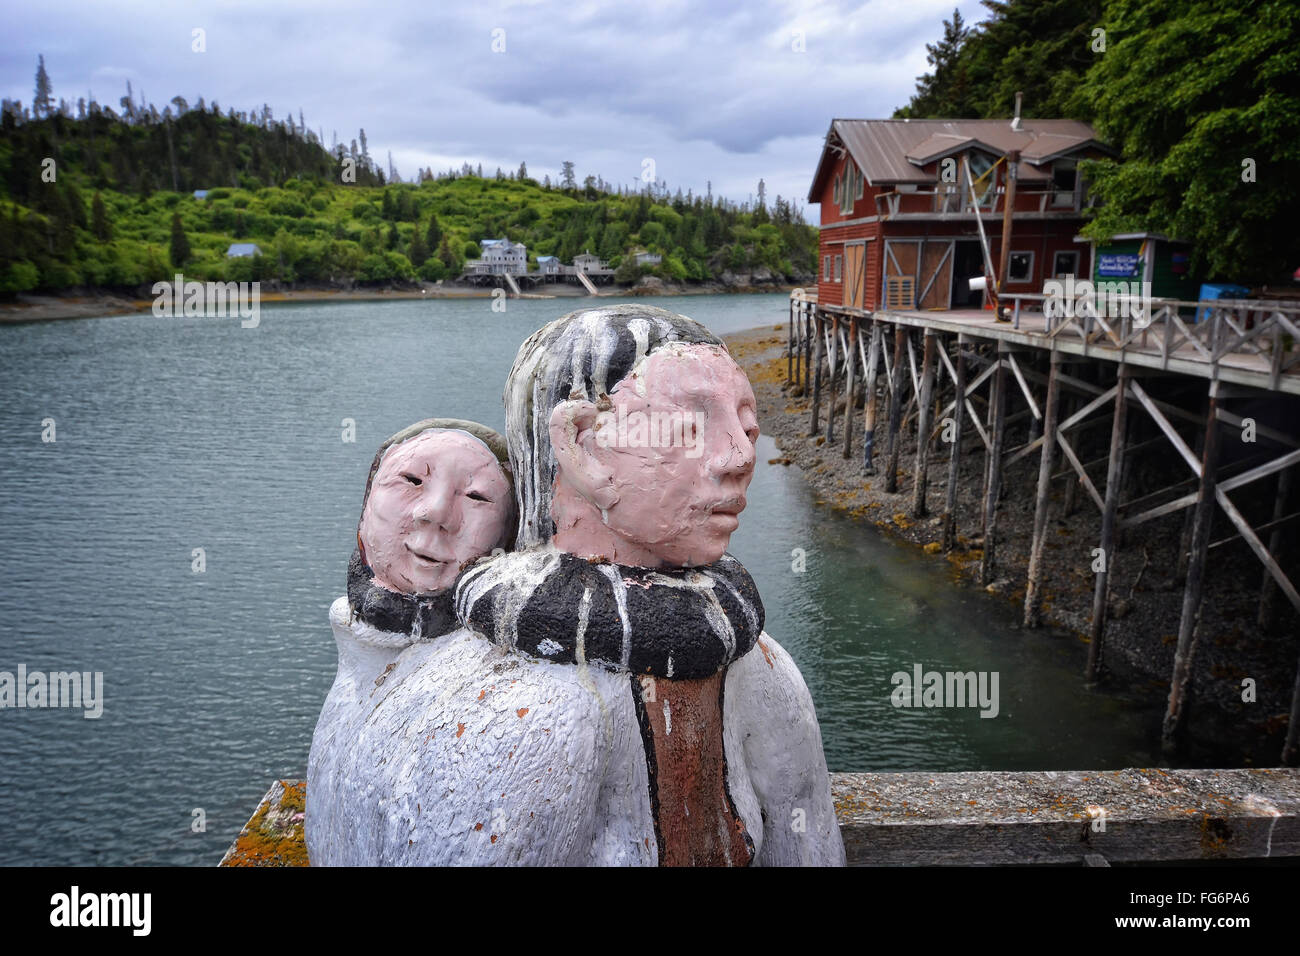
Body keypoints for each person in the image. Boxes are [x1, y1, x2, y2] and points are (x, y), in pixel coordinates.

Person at [305, 419, 514, 865]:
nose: (436, 512)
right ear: (364, 508)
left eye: (476, 497)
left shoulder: (485, 697)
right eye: (412, 480)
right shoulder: (358, 652)